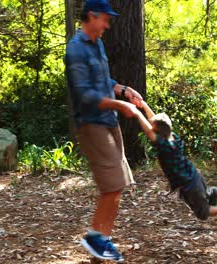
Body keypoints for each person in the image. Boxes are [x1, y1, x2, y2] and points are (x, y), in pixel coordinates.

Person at [64, 0, 143, 262]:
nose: (108, 25)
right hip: (91, 124)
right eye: (105, 19)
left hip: (108, 120)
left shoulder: (97, 43)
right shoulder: (75, 49)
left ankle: (102, 243)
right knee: (112, 185)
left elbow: (102, 81)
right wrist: (118, 104)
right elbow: (84, 94)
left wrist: (123, 90)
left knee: (117, 185)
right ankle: (94, 238)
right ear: (92, 16)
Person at [134, 101, 217, 220]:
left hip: (188, 185)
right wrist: (144, 105)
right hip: (194, 175)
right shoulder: (174, 138)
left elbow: (149, 131)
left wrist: (137, 113)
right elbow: (157, 123)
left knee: (203, 212)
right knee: (210, 192)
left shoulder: (165, 146)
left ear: (156, 131)